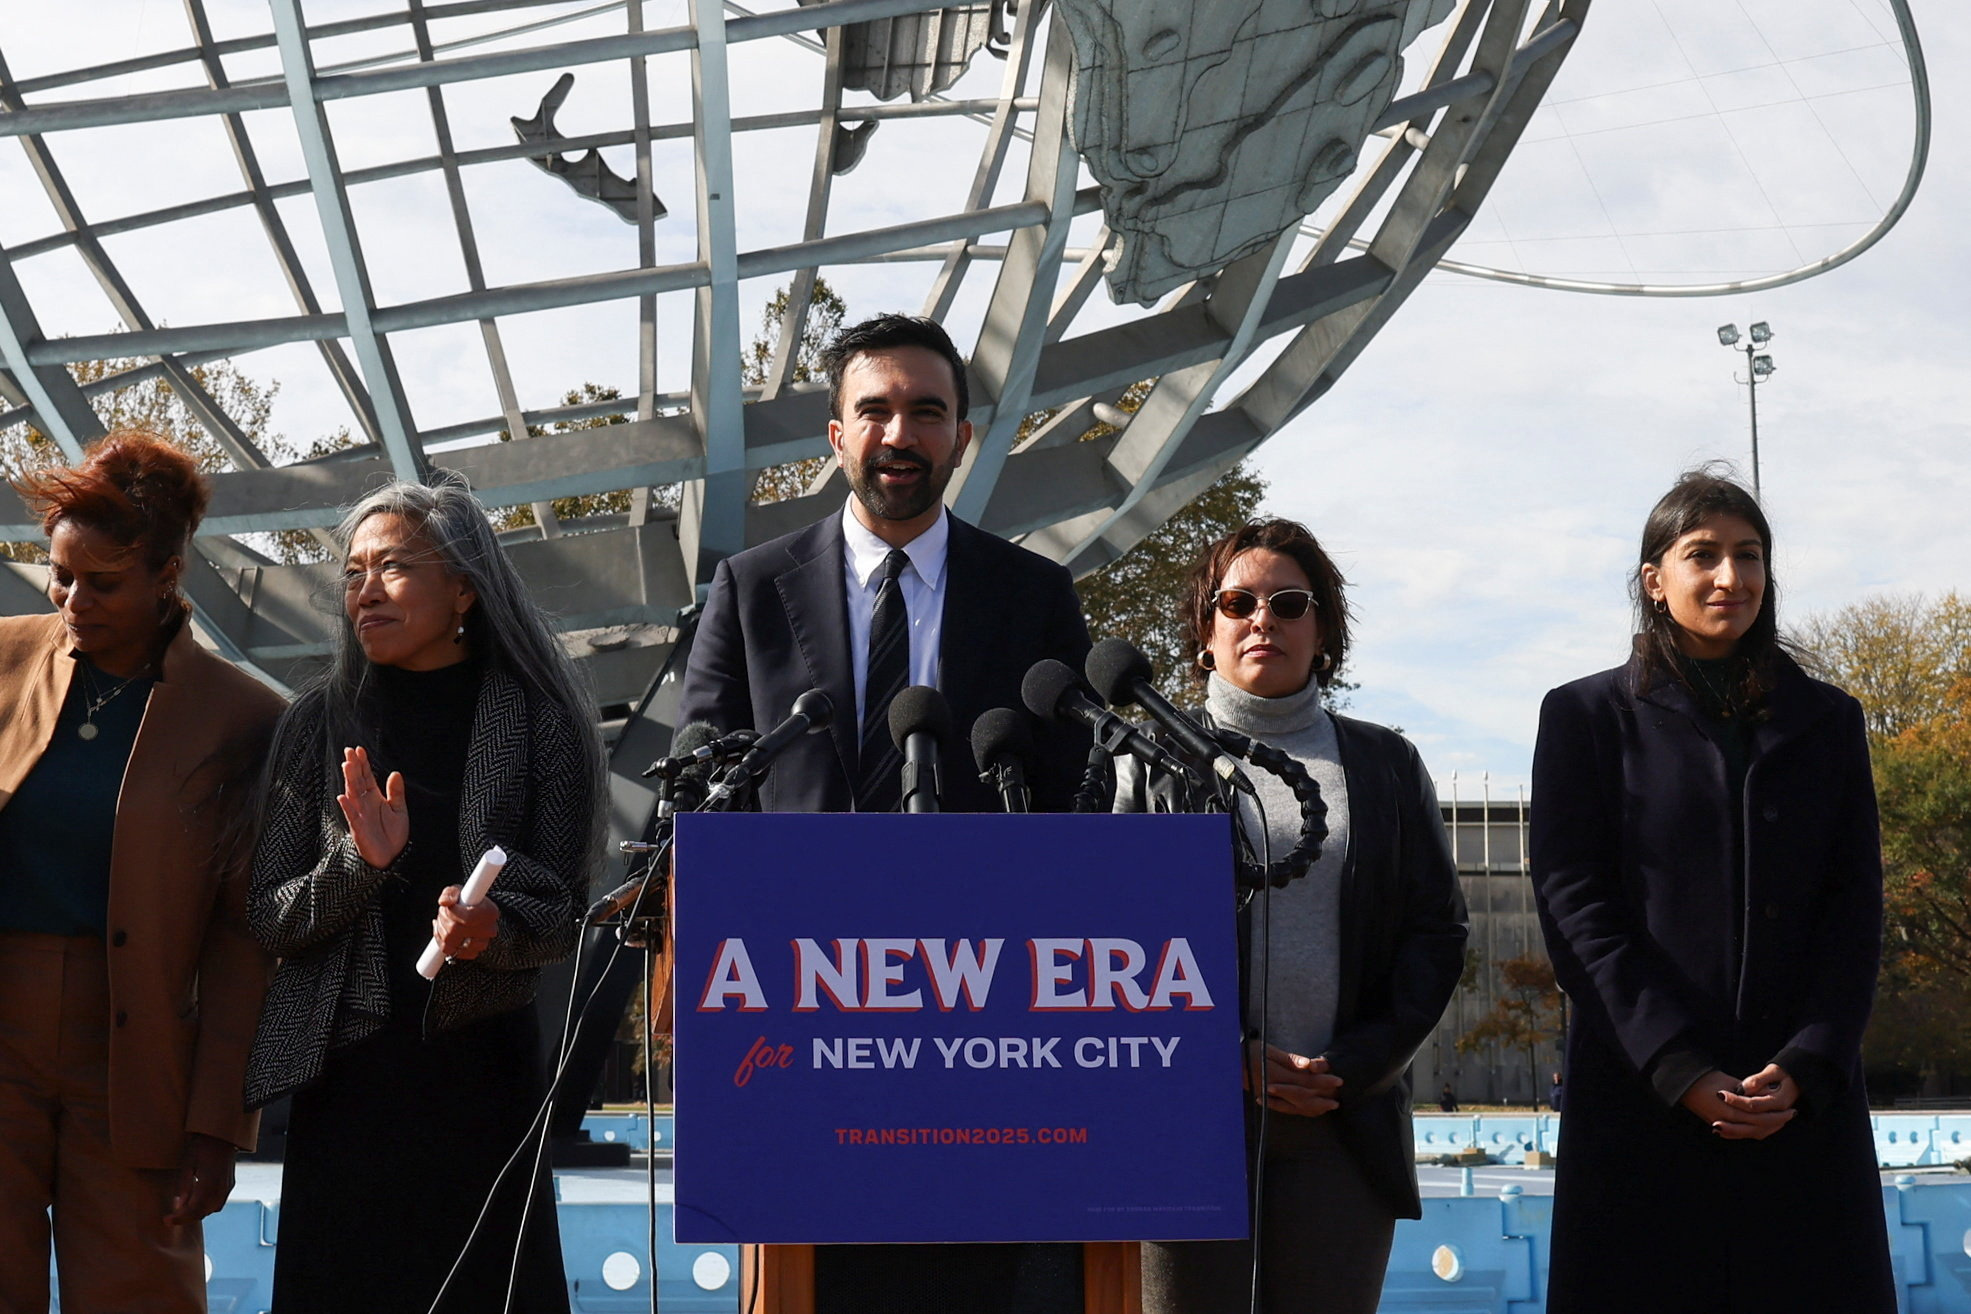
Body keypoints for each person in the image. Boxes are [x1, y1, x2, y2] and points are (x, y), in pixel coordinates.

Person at [678, 313, 1092, 1313]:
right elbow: (699, 781)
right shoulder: (748, 589)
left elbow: (1072, 800)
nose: (899, 433)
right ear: (835, 434)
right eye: (875, 410)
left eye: (926, 411)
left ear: (961, 436)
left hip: (985, 1036)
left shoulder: (1036, 596)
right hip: (794, 1026)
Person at [1530, 468, 1894, 1312]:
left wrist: (1807, 1062)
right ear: (1654, 581)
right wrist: (1676, 1063)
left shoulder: (1828, 720)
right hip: (1642, 1100)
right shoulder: (1586, 717)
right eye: (1703, 555)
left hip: (1795, 1106)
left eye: (1748, 555)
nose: (1730, 577)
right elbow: (1575, 906)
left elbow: (1853, 909)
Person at [245, 474, 603, 1314]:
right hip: (349, 1075)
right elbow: (267, 913)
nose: (365, 589)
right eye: (354, 573)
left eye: (394, 567)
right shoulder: (318, 722)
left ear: (464, 592)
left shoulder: (542, 721)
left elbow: (561, 912)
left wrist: (490, 929)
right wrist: (361, 866)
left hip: (481, 1074)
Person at [1113, 517, 1467, 1314]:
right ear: (1205, 633)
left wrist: (1356, 1062)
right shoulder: (1141, 761)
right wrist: (1220, 1056)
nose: (1261, 619)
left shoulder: (1385, 763)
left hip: (1342, 1124)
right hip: (1184, 1128)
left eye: (1288, 602)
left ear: (1324, 634)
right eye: (1235, 602)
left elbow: (1435, 934)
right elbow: (1113, 948)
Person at [0, 432, 283, 1313]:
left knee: (137, 1293)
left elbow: (244, 942)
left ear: (169, 572)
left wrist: (217, 1127)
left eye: (103, 581)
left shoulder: (246, 717)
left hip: (140, 1058)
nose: (72, 598)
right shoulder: (3, 659)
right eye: (60, 574)